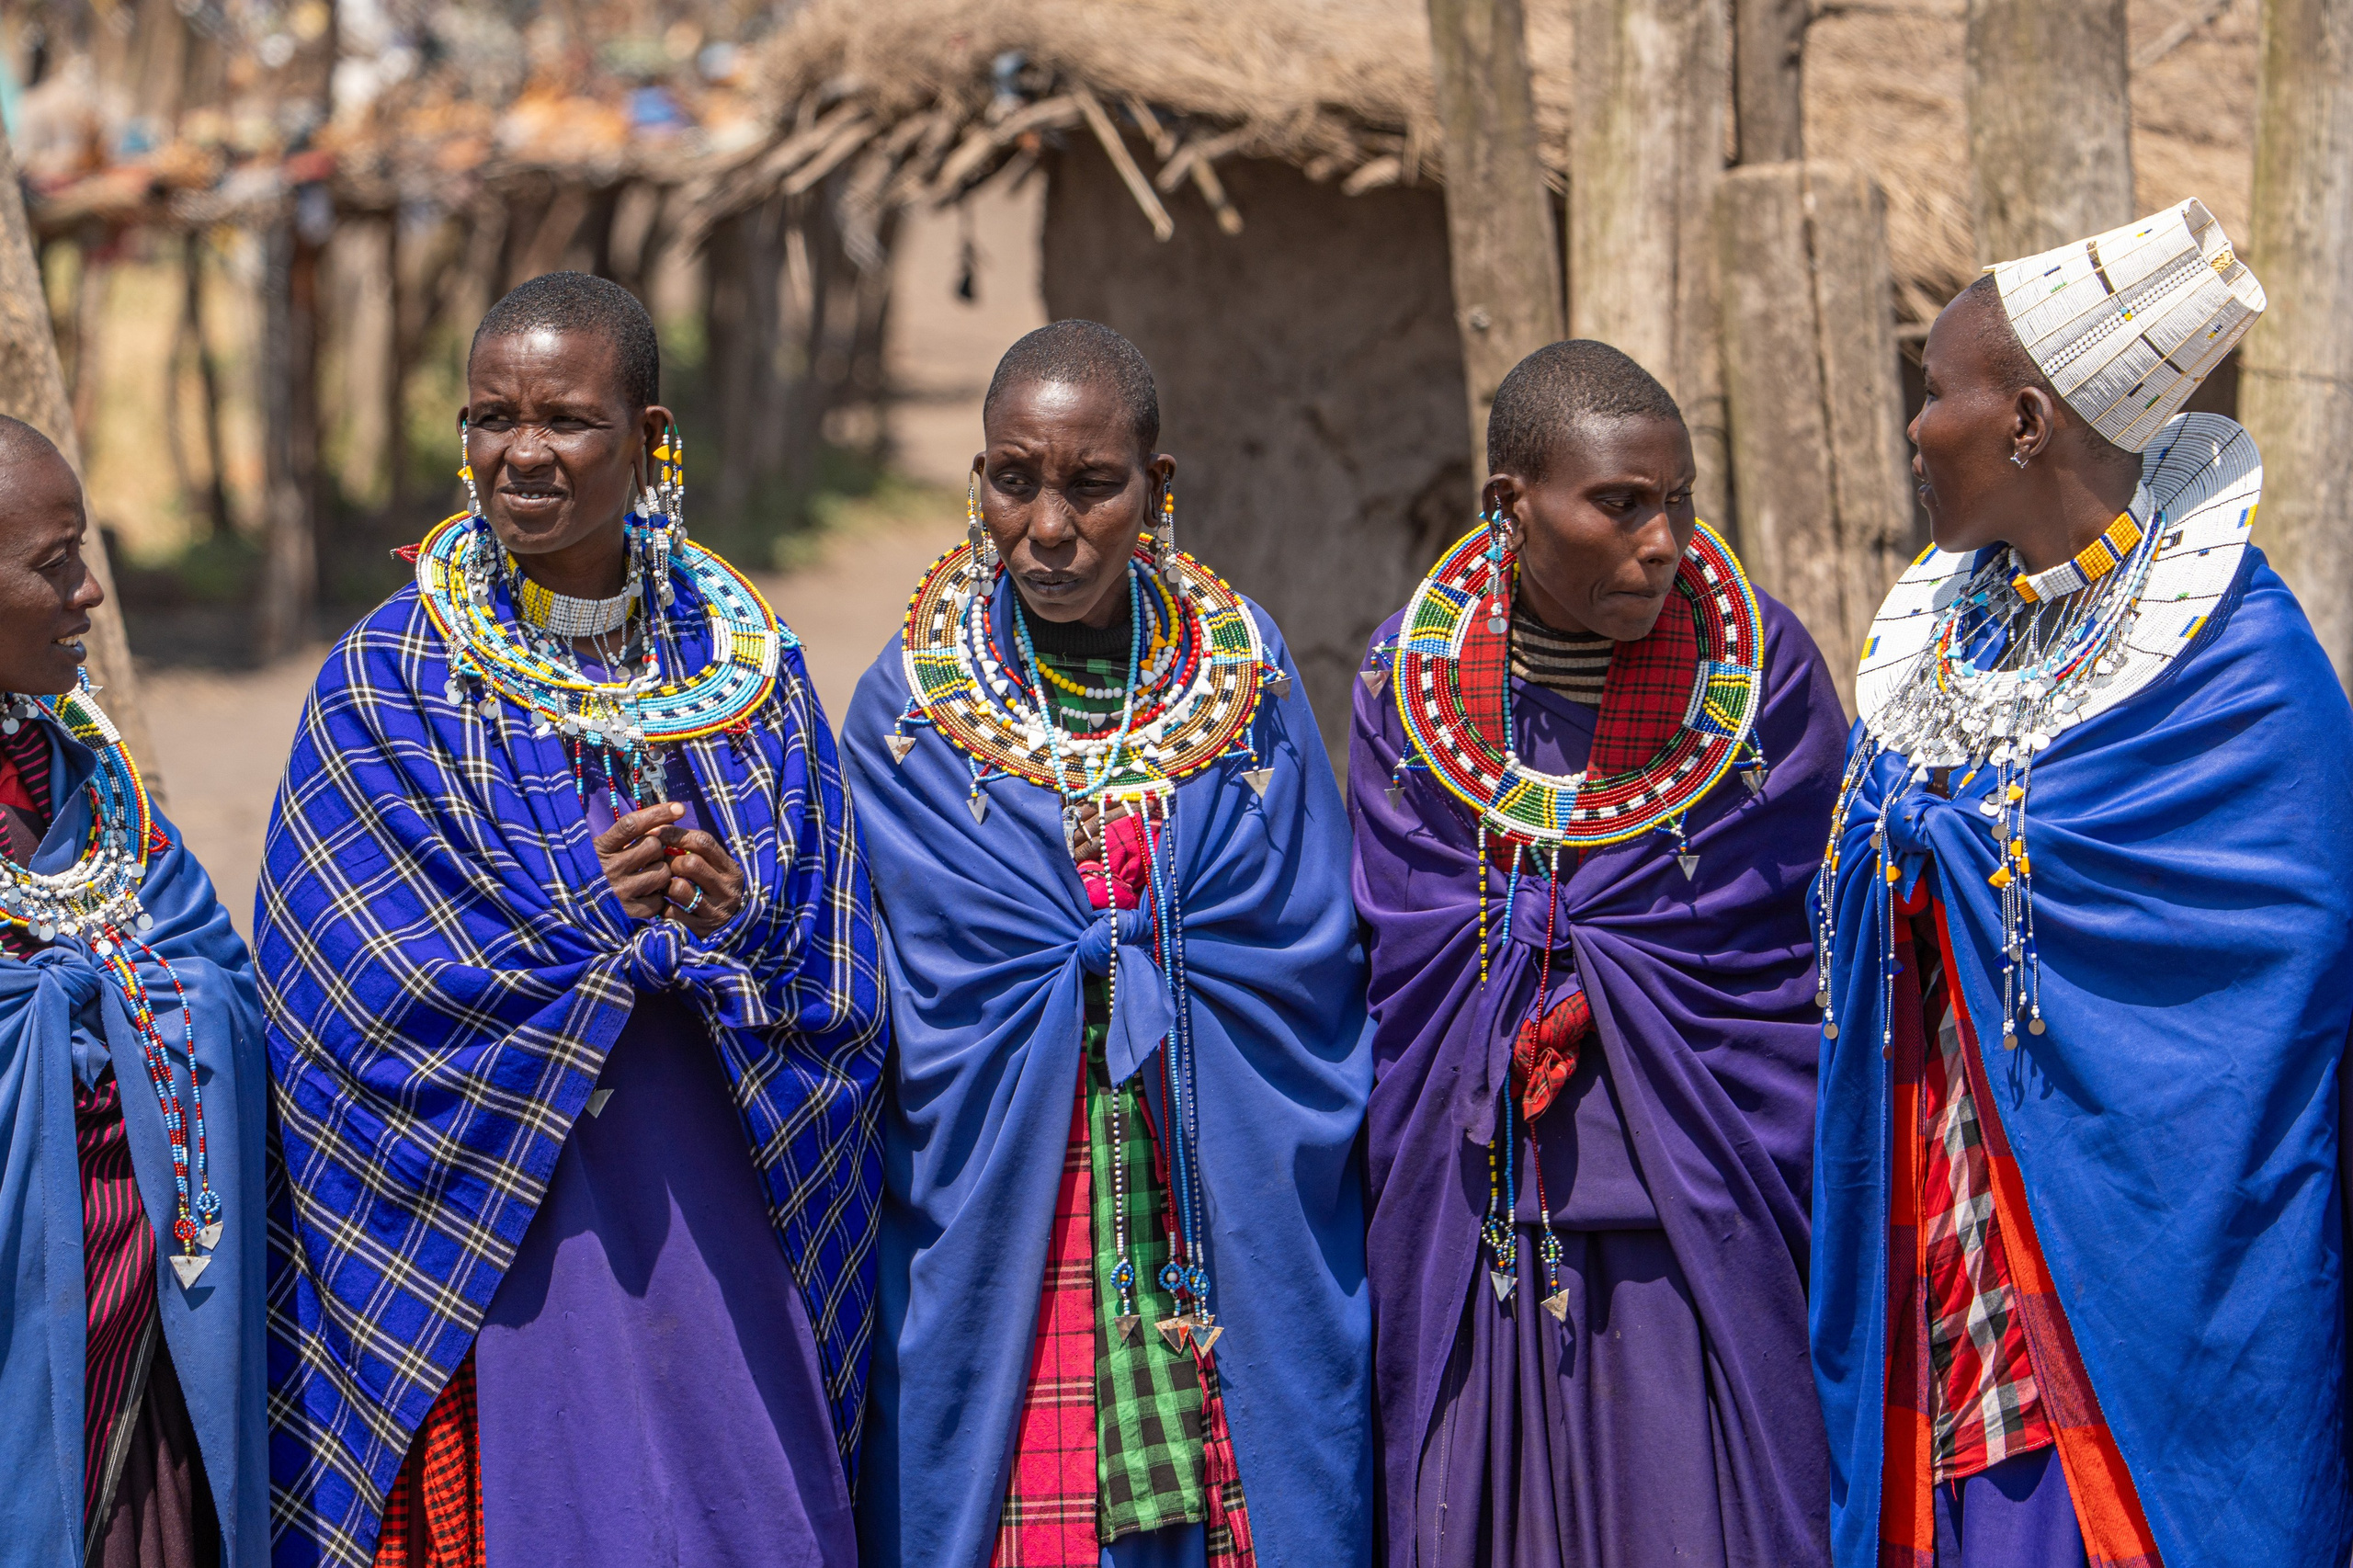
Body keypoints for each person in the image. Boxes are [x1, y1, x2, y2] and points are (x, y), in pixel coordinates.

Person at [260, 273, 887, 1568]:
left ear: (650, 436)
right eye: (493, 417)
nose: (523, 452)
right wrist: (578, 924)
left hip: (718, 1186)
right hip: (493, 1226)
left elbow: (837, 964)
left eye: (566, 418)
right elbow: (342, 1003)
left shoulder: (750, 671)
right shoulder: (388, 679)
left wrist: (737, 924)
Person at [1812, 199, 2350, 1568]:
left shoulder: (2242, 670)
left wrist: (1986, 866)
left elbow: (2286, 971)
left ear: (2027, 423)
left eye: (1936, 392)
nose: (1914, 427)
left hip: (2150, 1233)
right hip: (1954, 1229)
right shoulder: (1960, 627)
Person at [844, 319, 1373, 1568]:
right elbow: (889, 997)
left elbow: (1305, 957)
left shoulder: (1245, 682)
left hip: (1216, 1193)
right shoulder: (907, 711)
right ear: (978, 479)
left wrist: (1166, 960)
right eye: (1013, 480)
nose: (1048, 525)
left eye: (1091, 485)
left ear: (1155, 485)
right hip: (1002, 1208)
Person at [1349, 340, 1847, 1567]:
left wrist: (1595, 955)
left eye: (1676, 500)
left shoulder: (1763, 680)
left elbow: (1784, 961)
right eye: (1618, 504)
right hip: (1483, 1225)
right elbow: (1408, 954)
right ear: (1511, 506)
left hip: (1697, 1228)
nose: (1661, 540)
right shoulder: (1408, 690)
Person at [0, 417, 268, 1566]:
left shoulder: (87, 776)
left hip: (141, 1351)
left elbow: (218, 974)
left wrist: (115, 1004)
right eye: (52, 562)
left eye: (84, 550)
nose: (90, 589)